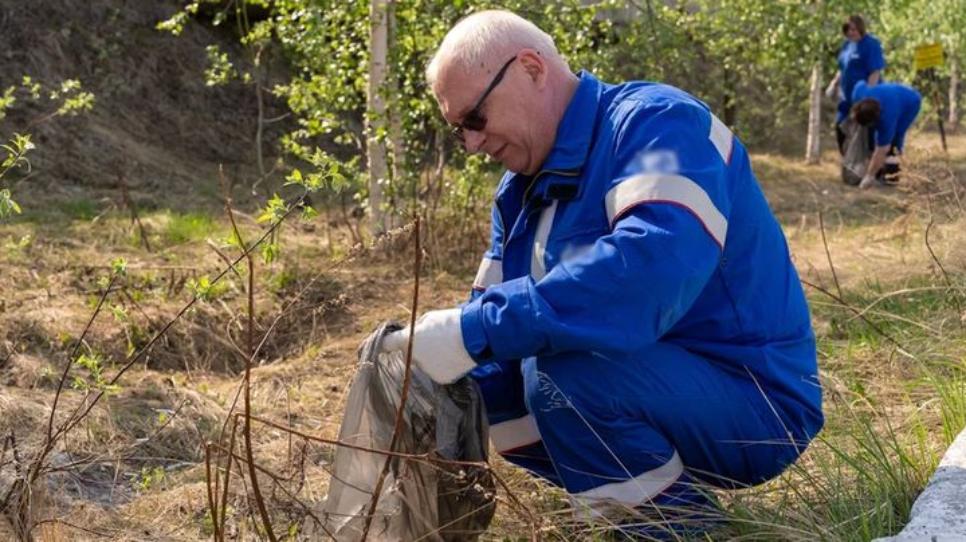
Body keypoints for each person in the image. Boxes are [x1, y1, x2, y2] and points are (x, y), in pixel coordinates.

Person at [380, 10, 823, 534]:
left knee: (563, 374)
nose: (473, 144)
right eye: (459, 131)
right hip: (658, 387)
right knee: (491, 392)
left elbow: (648, 272)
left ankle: (680, 531)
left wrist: (470, 331)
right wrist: (423, 366)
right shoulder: (519, 193)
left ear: (530, 68)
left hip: (756, 400)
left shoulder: (658, 124)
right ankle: (649, 505)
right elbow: (491, 329)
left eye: (475, 118)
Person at [826, 14, 886, 153]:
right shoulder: (847, 45)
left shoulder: (871, 44)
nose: (851, 32)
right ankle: (848, 160)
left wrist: (868, 96)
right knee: (840, 128)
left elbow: (875, 72)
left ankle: (872, 162)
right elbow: (843, 68)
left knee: (868, 133)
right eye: (848, 29)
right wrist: (834, 83)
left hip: (864, 98)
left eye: (854, 29)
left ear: (861, 29)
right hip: (846, 98)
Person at [851, 81, 921, 189]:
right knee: (874, 137)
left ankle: (891, 175)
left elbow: (883, 149)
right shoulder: (859, 93)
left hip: (911, 101)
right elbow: (860, 82)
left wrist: (869, 176)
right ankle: (877, 167)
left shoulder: (887, 119)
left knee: (895, 138)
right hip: (892, 93)